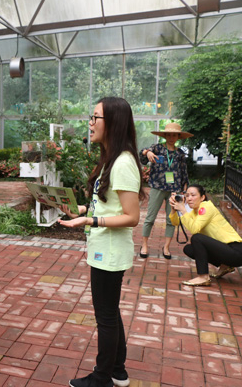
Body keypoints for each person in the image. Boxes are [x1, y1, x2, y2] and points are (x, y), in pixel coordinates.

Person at [59, 97, 144, 387]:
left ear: (113, 123)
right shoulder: (112, 159)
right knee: (110, 311)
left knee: (105, 316)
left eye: (96, 117)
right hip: (104, 249)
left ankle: (101, 378)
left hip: (110, 251)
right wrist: (81, 210)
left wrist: (90, 221)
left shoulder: (123, 163)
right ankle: (117, 370)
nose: (90, 123)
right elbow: (108, 205)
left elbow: (132, 216)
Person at [169, 184, 242, 286]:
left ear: (202, 197)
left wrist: (183, 210)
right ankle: (225, 266)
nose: (189, 198)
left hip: (236, 251)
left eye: (193, 195)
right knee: (189, 249)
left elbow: (194, 229)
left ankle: (203, 277)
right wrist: (173, 210)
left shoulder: (206, 207)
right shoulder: (194, 212)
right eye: (187, 195)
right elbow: (175, 222)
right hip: (226, 250)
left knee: (197, 238)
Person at [139, 123, 191, 259]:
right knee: (150, 218)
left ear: (178, 137)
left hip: (174, 190)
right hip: (157, 187)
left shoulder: (180, 153)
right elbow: (142, 156)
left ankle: (166, 247)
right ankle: (144, 245)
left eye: (174, 135)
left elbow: (184, 172)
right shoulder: (157, 148)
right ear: (165, 136)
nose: (171, 137)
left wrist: (184, 191)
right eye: (169, 135)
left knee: (171, 220)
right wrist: (147, 152)